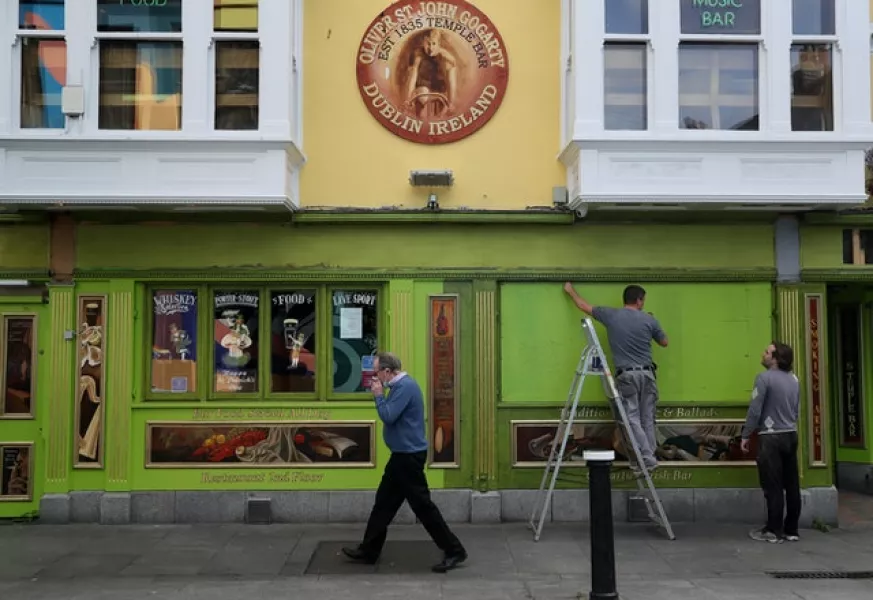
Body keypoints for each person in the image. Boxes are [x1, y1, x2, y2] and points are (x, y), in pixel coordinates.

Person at [342, 352, 467, 572]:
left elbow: (389, 416)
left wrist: (379, 396)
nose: (375, 376)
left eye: (377, 371)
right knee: (383, 504)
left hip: (408, 457)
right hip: (401, 456)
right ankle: (369, 550)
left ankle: (455, 550)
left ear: (388, 372)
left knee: (423, 508)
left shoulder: (405, 388)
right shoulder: (399, 387)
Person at [563, 283, 668, 474]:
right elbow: (664, 342)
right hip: (647, 374)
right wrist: (651, 323)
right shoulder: (648, 320)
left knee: (632, 418)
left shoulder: (611, 315)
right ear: (639, 300)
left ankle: (645, 459)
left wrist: (570, 291)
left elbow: (584, 306)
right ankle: (649, 457)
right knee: (647, 418)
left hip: (627, 375)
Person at [741, 342, 801, 544]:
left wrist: (746, 434)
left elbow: (755, 409)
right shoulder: (794, 379)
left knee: (772, 484)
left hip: (771, 436)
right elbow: (796, 409)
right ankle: (791, 529)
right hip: (791, 434)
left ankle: (773, 530)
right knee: (792, 483)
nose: (763, 354)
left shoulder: (764, 378)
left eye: (767, 352)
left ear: (775, 358)